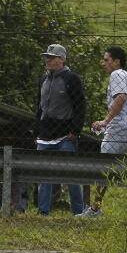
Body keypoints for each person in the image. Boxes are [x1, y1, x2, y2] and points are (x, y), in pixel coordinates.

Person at [78, 46, 127, 218]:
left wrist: (105, 121)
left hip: (120, 128)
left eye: (107, 60)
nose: (104, 63)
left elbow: (121, 97)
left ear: (117, 62)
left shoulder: (117, 75)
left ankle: (95, 209)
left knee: (105, 166)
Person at [34, 44, 87, 215]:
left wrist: (75, 131)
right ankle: (43, 211)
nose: (47, 60)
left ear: (62, 59)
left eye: (51, 57)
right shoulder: (43, 79)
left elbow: (80, 106)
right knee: (43, 175)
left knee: (70, 175)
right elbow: (39, 107)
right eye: (46, 57)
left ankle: (78, 212)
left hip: (65, 135)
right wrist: (36, 131)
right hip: (45, 135)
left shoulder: (72, 79)